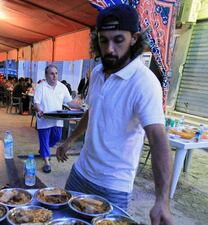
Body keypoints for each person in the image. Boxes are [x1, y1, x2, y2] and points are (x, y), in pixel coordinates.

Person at [56, 5, 173, 225]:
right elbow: (93, 111)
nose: (109, 49)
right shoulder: (98, 72)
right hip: (80, 173)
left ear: (134, 39)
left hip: (113, 186)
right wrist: (70, 139)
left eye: (118, 40)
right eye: (103, 40)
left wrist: (162, 201)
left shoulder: (145, 82)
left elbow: (158, 139)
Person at [34, 65, 79, 173]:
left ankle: (44, 149)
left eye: (56, 73)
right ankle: (47, 162)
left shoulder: (62, 87)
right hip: (44, 118)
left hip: (57, 119)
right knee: (44, 139)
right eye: (51, 73)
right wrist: (39, 110)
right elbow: (36, 103)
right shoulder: (41, 87)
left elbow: (69, 102)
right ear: (46, 75)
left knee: (57, 137)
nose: (54, 76)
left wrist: (81, 106)